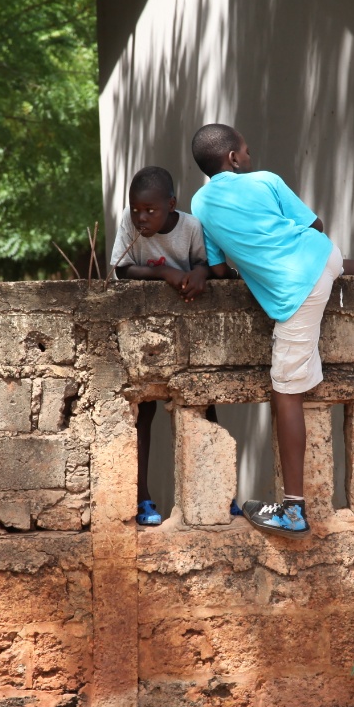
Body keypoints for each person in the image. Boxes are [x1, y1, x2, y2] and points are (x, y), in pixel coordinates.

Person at [188, 123, 354, 538]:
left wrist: (252, 262)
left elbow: (214, 269)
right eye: (245, 150)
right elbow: (315, 226)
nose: (249, 156)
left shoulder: (198, 205)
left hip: (295, 294)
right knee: (336, 268)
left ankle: (294, 511)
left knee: (285, 391)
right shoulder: (266, 180)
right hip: (322, 255)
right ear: (233, 158)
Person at [109, 166, 238, 525]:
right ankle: (141, 499)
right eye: (136, 209)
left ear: (171, 205)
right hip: (146, 338)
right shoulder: (130, 225)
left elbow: (204, 263)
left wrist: (197, 274)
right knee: (143, 414)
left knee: (203, 407)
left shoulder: (192, 226)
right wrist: (166, 273)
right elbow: (122, 269)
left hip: (192, 337)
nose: (141, 217)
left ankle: (220, 494)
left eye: (150, 210)